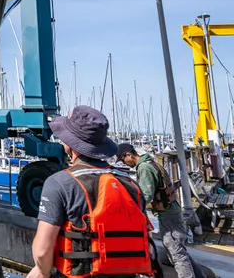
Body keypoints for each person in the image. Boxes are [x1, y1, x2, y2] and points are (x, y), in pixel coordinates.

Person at [28, 106, 153, 278]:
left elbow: (42, 251)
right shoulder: (131, 185)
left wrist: (42, 272)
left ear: (69, 144)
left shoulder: (59, 183)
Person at [117, 143, 204, 278]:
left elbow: (146, 195)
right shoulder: (150, 163)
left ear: (129, 155)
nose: (124, 163)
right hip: (171, 211)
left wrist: (129, 209)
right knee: (178, 250)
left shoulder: (144, 168)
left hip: (168, 214)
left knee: (176, 253)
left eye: (123, 160)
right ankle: (200, 276)